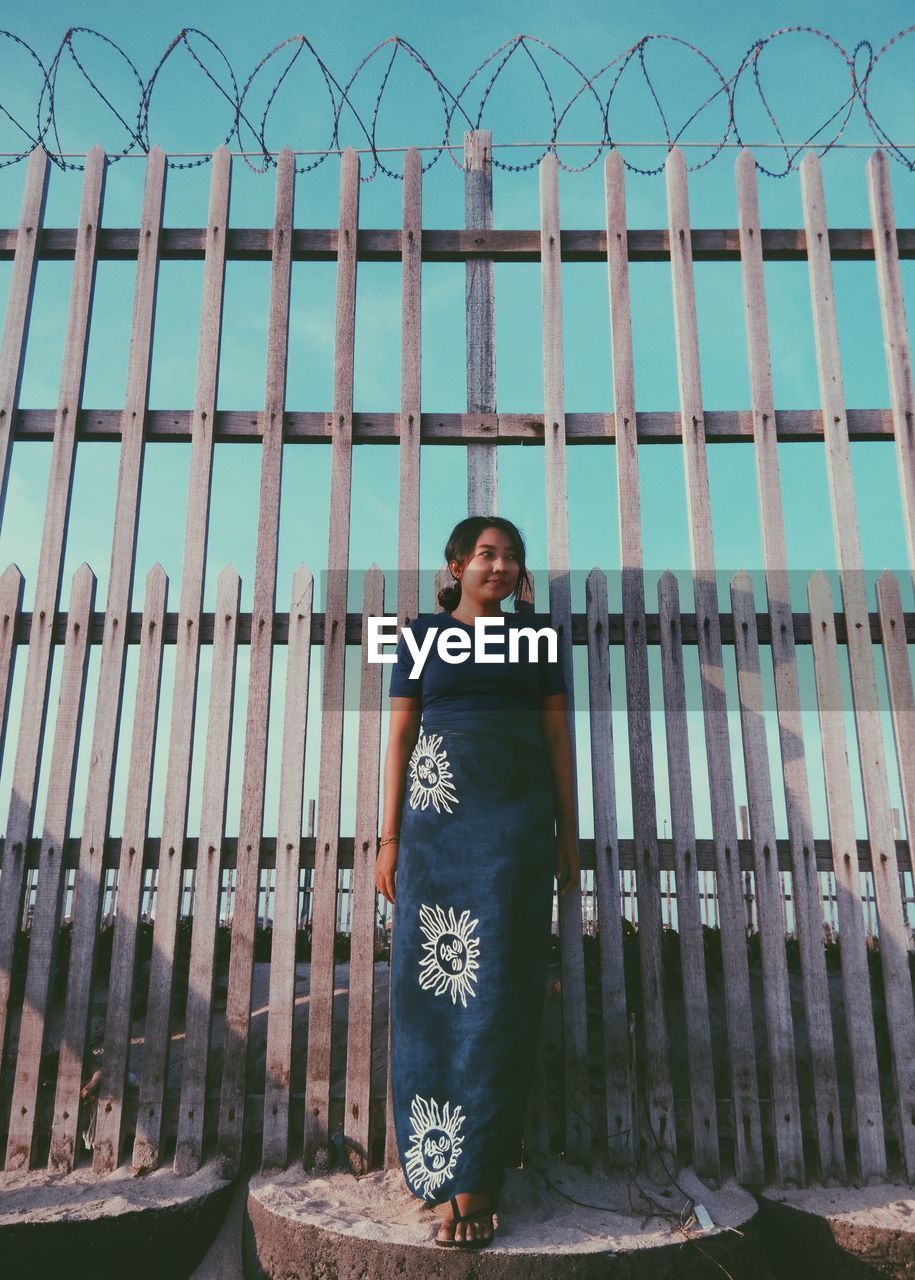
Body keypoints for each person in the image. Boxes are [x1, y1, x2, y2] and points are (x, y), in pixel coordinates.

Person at [375, 516, 579, 1250]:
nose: (499, 566)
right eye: (485, 554)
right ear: (455, 564)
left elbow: (558, 735)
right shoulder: (418, 637)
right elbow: (400, 736)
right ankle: (435, 1168)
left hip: (515, 832)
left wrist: (567, 830)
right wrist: (389, 838)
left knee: (498, 993)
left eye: (511, 556)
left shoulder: (540, 641)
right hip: (435, 828)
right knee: (430, 996)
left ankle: (478, 1179)